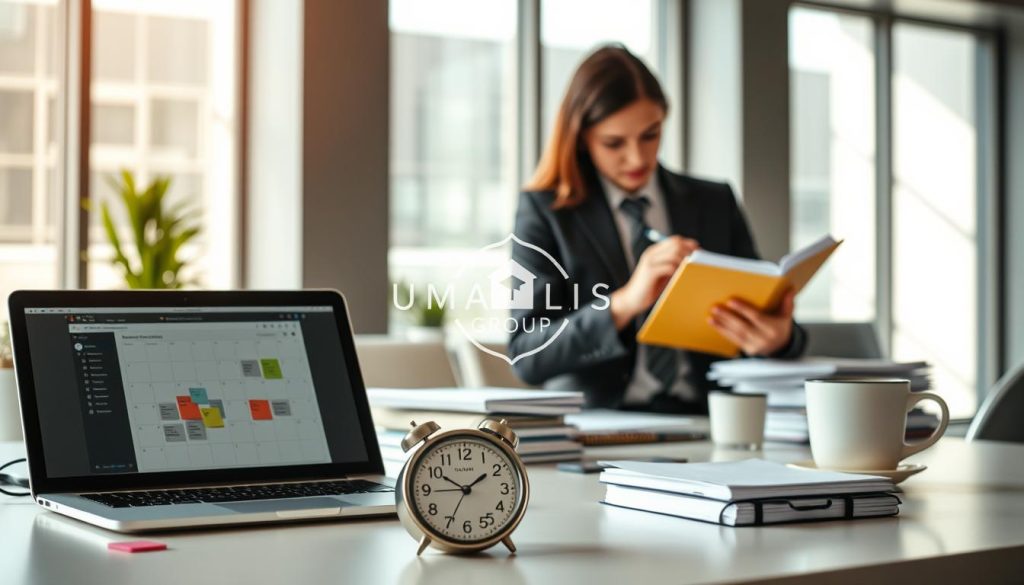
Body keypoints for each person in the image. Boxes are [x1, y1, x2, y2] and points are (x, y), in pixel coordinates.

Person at [508, 45, 806, 414]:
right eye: (614, 143)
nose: (637, 158)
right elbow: (525, 354)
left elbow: (761, 309)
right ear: (582, 137)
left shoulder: (714, 201)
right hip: (600, 425)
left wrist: (779, 339)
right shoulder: (545, 211)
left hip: (709, 420)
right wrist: (626, 302)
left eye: (650, 135)